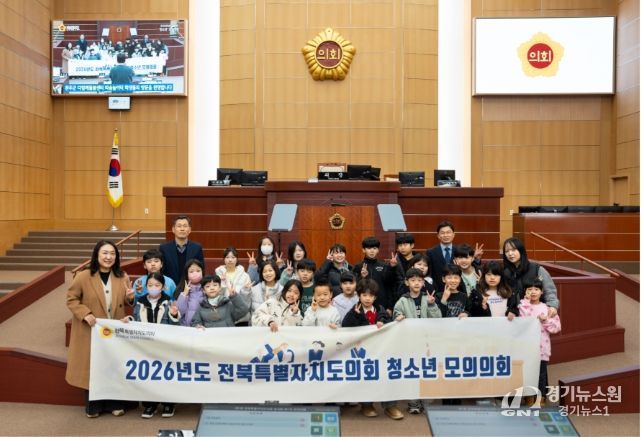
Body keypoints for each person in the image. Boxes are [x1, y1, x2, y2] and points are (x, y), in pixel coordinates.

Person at [66, 240, 134, 418]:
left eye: (112, 253)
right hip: (91, 329)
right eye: (105, 253)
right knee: (93, 366)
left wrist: (130, 298)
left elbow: (126, 301)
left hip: (114, 332)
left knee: (113, 366)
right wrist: (85, 313)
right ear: (96, 255)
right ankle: (93, 406)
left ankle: (114, 403)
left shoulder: (122, 276)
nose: (108, 257)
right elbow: (71, 299)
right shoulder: (83, 276)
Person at [341, 279, 402, 420]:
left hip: (381, 350)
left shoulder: (380, 310)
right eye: (364, 295)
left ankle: (390, 406)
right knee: (366, 377)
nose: (367, 298)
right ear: (359, 296)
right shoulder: (354, 310)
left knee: (387, 375)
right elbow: (345, 327)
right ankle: (367, 405)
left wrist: (385, 321)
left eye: (371, 296)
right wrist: (356, 316)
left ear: (375, 297)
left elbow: (389, 324)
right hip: (363, 352)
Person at [123, 271, 180, 419]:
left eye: (157, 285)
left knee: (167, 374)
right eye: (150, 285)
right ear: (146, 286)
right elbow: (136, 319)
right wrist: (129, 320)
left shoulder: (169, 302)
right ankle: (150, 404)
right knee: (148, 374)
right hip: (146, 346)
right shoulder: (140, 302)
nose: (153, 288)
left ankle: (168, 403)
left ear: (163, 287)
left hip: (164, 346)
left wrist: (174, 315)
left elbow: (176, 326)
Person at [393, 268, 441, 414]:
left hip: (427, 343)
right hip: (410, 343)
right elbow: (396, 314)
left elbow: (437, 319)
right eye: (413, 280)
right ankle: (413, 402)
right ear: (407, 282)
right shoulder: (403, 300)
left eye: (420, 280)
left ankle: (427, 401)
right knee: (412, 371)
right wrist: (398, 316)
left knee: (427, 371)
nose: (416, 283)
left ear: (423, 283)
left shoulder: (428, 298)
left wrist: (432, 305)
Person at [518, 278, 561, 406]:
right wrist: (525, 302)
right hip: (526, 348)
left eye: (536, 289)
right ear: (525, 291)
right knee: (527, 373)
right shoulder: (522, 306)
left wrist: (545, 320)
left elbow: (556, 328)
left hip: (542, 349)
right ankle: (528, 396)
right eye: (529, 289)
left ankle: (540, 397)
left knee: (541, 375)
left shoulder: (547, 308)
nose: (533, 292)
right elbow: (522, 321)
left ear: (542, 291)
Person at [502, 237, 559, 318]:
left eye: (513, 250)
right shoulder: (505, 272)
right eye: (507, 251)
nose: (510, 254)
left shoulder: (536, 269)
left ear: (521, 250)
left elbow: (549, 290)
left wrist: (552, 306)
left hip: (536, 316)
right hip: (513, 317)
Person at [426, 221, 483, 294]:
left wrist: (476, 259)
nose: (446, 235)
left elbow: (468, 265)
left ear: (453, 234)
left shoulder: (459, 250)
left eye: (448, 232)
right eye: (442, 233)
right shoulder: (430, 252)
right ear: (438, 235)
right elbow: (429, 273)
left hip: (459, 291)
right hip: (438, 292)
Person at [352, 236, 400, 313]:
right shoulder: (358, 266)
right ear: (363, 250)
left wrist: (392, 267)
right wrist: (362, 277)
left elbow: (390, 287)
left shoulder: (384, 266)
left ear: (378, 250)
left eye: (374, 248)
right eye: (369, 248)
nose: (372, 251)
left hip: (382, 305)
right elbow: (354, 287)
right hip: (363, 306)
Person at [159, 215, 205, 285]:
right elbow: (161, 270)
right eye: (179, 226)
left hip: (191, 286)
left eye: (185, 226)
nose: (182, 229)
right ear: (173, 229)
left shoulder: (197, 248)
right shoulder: (164, 248)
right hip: (170, 286)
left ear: (189, 230)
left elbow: (201, 269)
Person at [214, 246, 252, 325]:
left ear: (237, 259)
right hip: (224, 317)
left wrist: (246, 290)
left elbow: (248, 299)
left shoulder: (245, 276)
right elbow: (215, 297)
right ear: (224, 259)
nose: (230, 260)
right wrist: (222, 283)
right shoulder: (218, 276)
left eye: (233, 257)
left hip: (242, 317)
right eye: (227, 257)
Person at [174, 259, 205, 327]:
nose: (195, 274)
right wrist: (185, 294)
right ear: (186, 274)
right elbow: (180, 312)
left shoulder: (207, 289)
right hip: (186, 327)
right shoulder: (182, 290)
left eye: (198, 271)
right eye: (191, 271)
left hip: (203, 327)